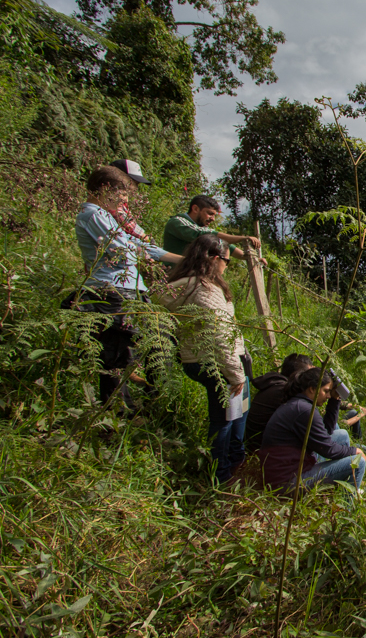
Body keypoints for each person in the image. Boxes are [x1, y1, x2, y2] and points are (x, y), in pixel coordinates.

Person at [71, 164, 183, 406]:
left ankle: (141, 403)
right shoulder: (93, 215)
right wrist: (139, 248)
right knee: (115, 354)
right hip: (111, 290)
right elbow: (122, 252)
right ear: (103, 189)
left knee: (141, 347)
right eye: (122, 194)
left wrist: (185, 261)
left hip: (129, 289)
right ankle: (117, 412)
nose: (125, 200)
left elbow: (143, 248)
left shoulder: (114, 218)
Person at [158, 235, 247, 484]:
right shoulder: (205, 289)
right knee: (225, 420)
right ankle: (221, 473)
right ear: (215, 258)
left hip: (194, 358)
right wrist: (235, 373)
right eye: (227, 262)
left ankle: (234, 460)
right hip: (218, 363)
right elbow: (219, 333)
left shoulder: (180, 285)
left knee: (235, 413)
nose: (227, 267)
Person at [259, 367, 366, 494]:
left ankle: (345, 481)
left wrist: (334, 399)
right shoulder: (305, 410)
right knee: (359, 461)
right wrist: (355, 451)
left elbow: (326, 432)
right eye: (326, 391)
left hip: (288, 470)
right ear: (312, 389)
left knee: (342, 435)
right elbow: (327, 449)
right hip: (287, 482)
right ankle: (347, 504)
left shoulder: (300, 404)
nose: (327, 395)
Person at [244, 353, 314, 453]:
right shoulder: (285, 392)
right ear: (298, 375)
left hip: (259, 444)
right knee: (339, 435)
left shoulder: (275, 383)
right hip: (263, 449)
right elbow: (310, 429)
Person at [162, 195, 261, 259]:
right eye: (209, 214)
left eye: (214, 215)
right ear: (195, 209)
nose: (213, 219)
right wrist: (243, 238)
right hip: (173, 276)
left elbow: (222, 244)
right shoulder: (177, 222)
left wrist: (250, 258)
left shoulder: (198, 226)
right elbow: (204, 235)